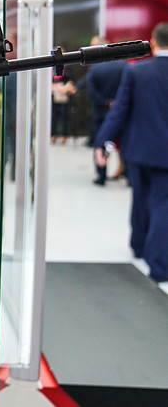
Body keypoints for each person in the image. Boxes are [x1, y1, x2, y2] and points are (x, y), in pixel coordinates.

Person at [94, 22, 168, 283]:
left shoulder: (136, 72)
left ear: (153, 42)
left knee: (140, 198)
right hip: (165, 156)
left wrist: (102, 142)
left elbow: (119, 111)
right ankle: (158, 265)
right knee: (162, 204)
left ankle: (139, 245)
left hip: (138, 150)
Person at [80, 36, 127, 184]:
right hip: (121, 112)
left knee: (100, 143)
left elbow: (92, 93)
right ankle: (128, 175)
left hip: (101, 112)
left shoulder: (95, 69)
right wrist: (116, 102)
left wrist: (106, 103)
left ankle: (101, 176)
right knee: (124, 143)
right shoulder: (124, 66)